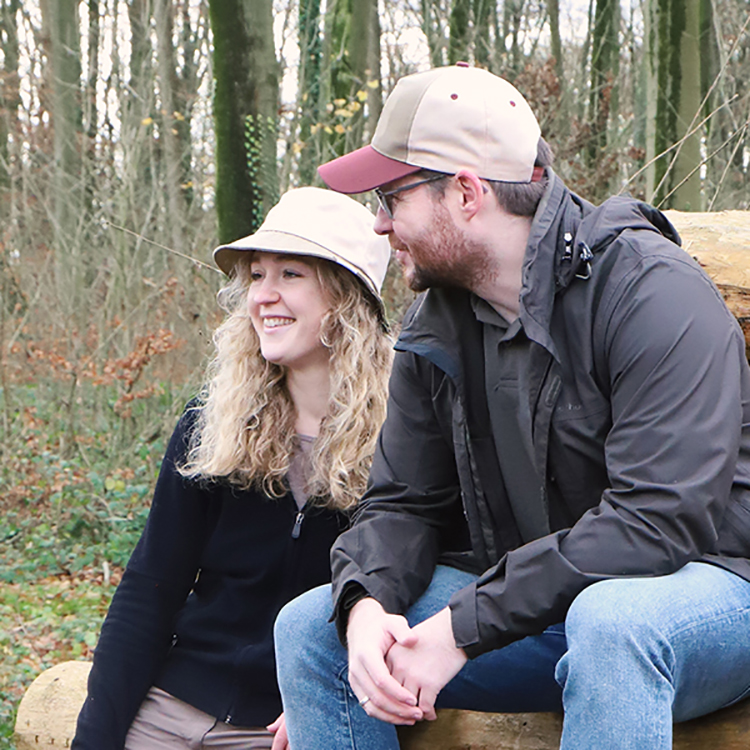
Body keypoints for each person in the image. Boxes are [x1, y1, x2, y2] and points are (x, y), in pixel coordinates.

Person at [274, 64, 750, 750]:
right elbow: (403, 505)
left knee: (614, 623)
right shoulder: (437, 327)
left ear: (466, 193)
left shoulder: (649, 292)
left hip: (710, 595)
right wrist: (366, 603)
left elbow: (657, 521)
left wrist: (464, 626)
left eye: (391, 197)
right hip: (547, 609)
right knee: (312, 630)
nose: (378, 224)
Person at [71, 187, 393, 750]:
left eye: (290, 274)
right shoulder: (214, 422)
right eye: (256, 275)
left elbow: (419, 594)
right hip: (170, 706)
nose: (263, 295)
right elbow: (150, 589)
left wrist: (328, 694)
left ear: (347, 296)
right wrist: (95, 737)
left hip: (283, 727)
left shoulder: (405, 438)